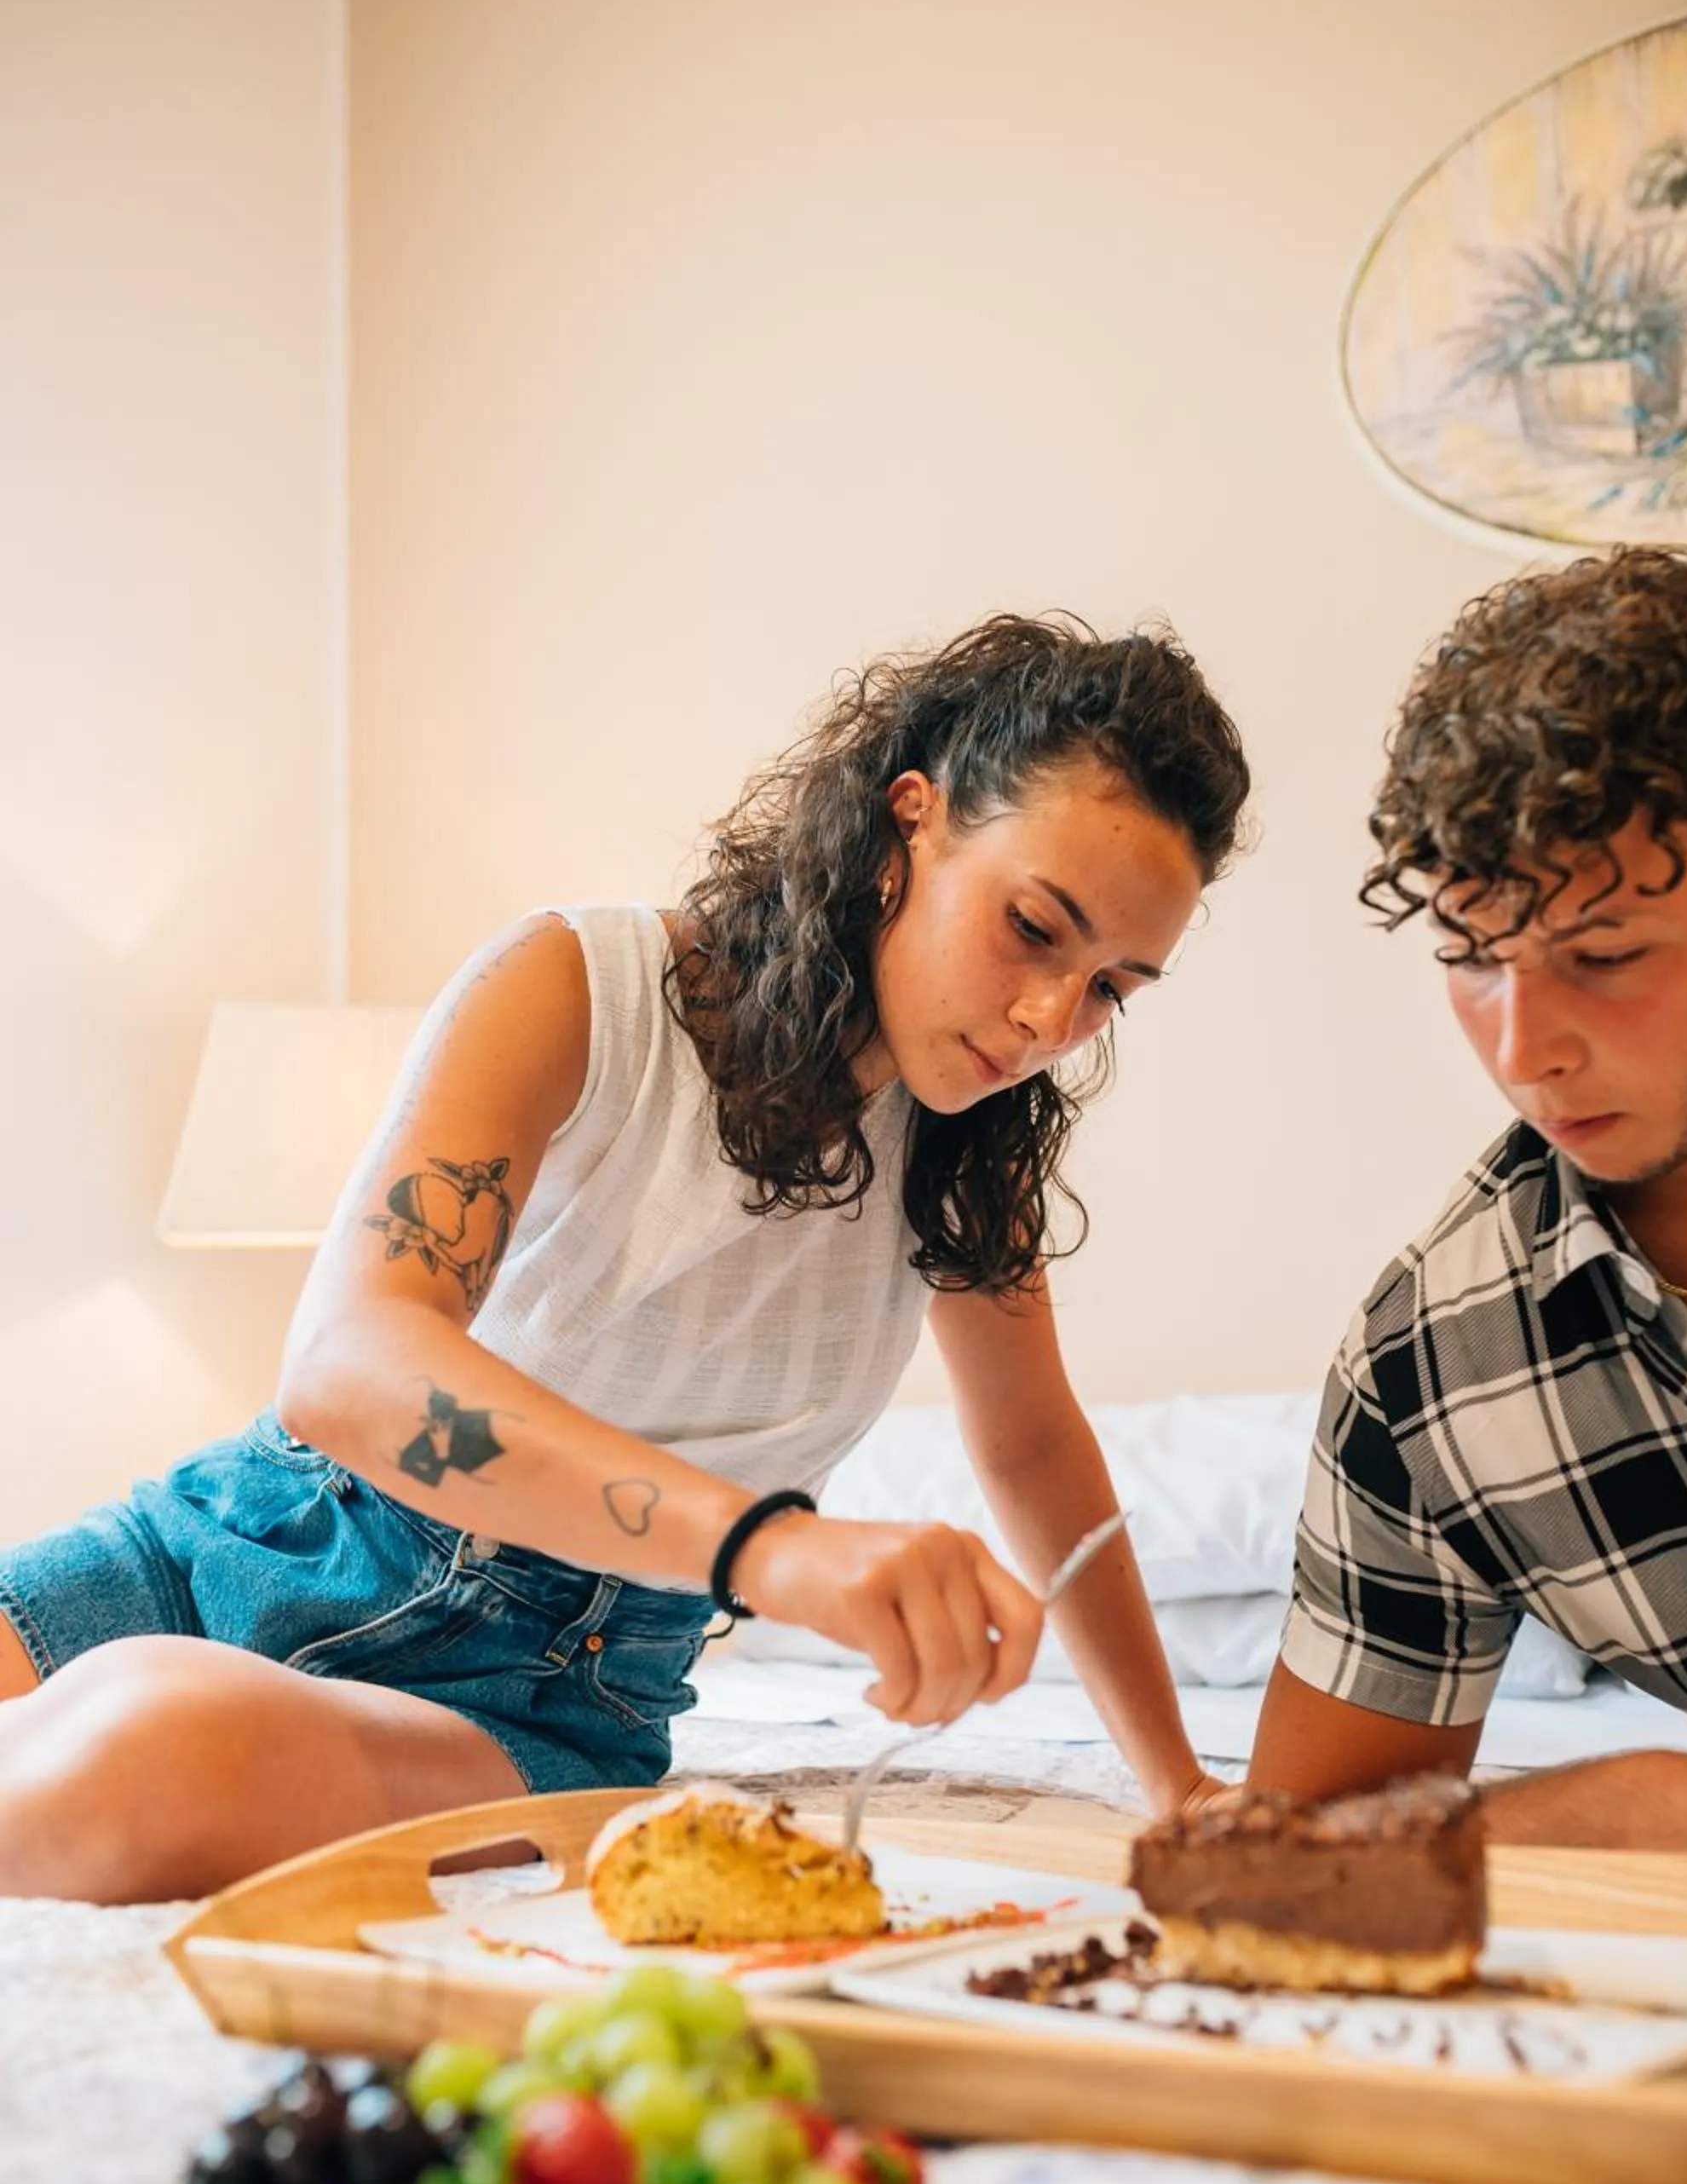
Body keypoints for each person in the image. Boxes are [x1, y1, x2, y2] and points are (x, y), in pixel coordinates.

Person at [0, 614, 1251, 1899]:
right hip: (262, 1528)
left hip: (541, 1690)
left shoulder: (968, 1166)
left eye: (1112, 987)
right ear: (909, 824)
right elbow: (346, 1365)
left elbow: (1038, 1450)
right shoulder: (581, 989)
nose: (1053, 1018)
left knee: (151, 1759)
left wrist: (1182, 1784)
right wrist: (766, 1548)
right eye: (1035, 927)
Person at [1250, 545, 1687, 1848]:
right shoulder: (1434, 1369)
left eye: (1603, 955)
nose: (1523, 1050)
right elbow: (1314, 1851)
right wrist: (1634, 1804)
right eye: (1472, 956)